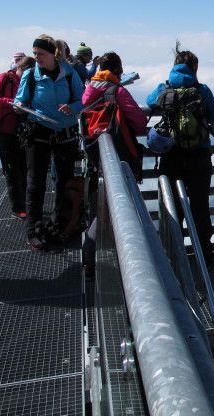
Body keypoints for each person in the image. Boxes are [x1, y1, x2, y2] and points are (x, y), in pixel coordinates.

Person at [147, 42, 214, 266]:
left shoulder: (164, 88)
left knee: (172, 210)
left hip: (171, 158)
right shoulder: (202, 90)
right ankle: (205, 258)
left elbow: (150, 102)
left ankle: (173, 260)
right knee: (199, 208)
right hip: (199, 158)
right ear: (195, 68)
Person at [14, 34, 85, 250]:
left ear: (52, 54)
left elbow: (82, 99)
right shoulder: (30, 75)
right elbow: (21, 99)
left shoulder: (70, 74)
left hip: (64, 131)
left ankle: (60, 226)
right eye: (35, 54)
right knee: (36, 182)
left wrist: (73, 107)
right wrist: (19, 105)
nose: (36, 58)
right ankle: (34, 231)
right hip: (39, 130)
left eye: (40, 54)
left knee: (64, 180)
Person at [82, 51, 147, 278]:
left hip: (95, 157)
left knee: (100, 203)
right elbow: (138, 122)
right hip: (118, 158)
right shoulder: (116, 92)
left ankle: (93, 260)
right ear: (118, 70)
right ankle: (94, 256)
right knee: (118, 206)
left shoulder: (88, 92)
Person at [0, 56, 35, 219]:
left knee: (23, 168)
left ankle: (24, 203)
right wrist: (10, 102)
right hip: (4, 130)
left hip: (20, 130)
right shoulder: (4, 78)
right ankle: (17, 207)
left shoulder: (27, 81)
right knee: (12, 170)